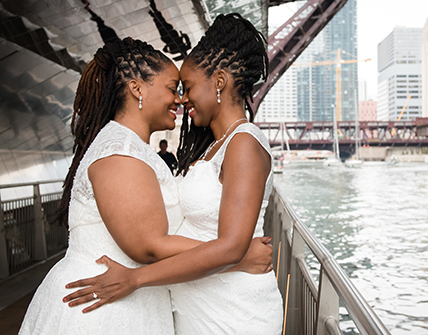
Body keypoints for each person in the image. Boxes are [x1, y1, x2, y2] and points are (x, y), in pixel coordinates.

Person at [19, 37, 272, 335]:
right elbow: (148, 246)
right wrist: (237, 255)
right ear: (137, 88)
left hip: (124, 300)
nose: (178, 99)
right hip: (102, 308)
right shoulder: (120, 151)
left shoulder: (132, 147)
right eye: (171, 89)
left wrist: (231, 251)